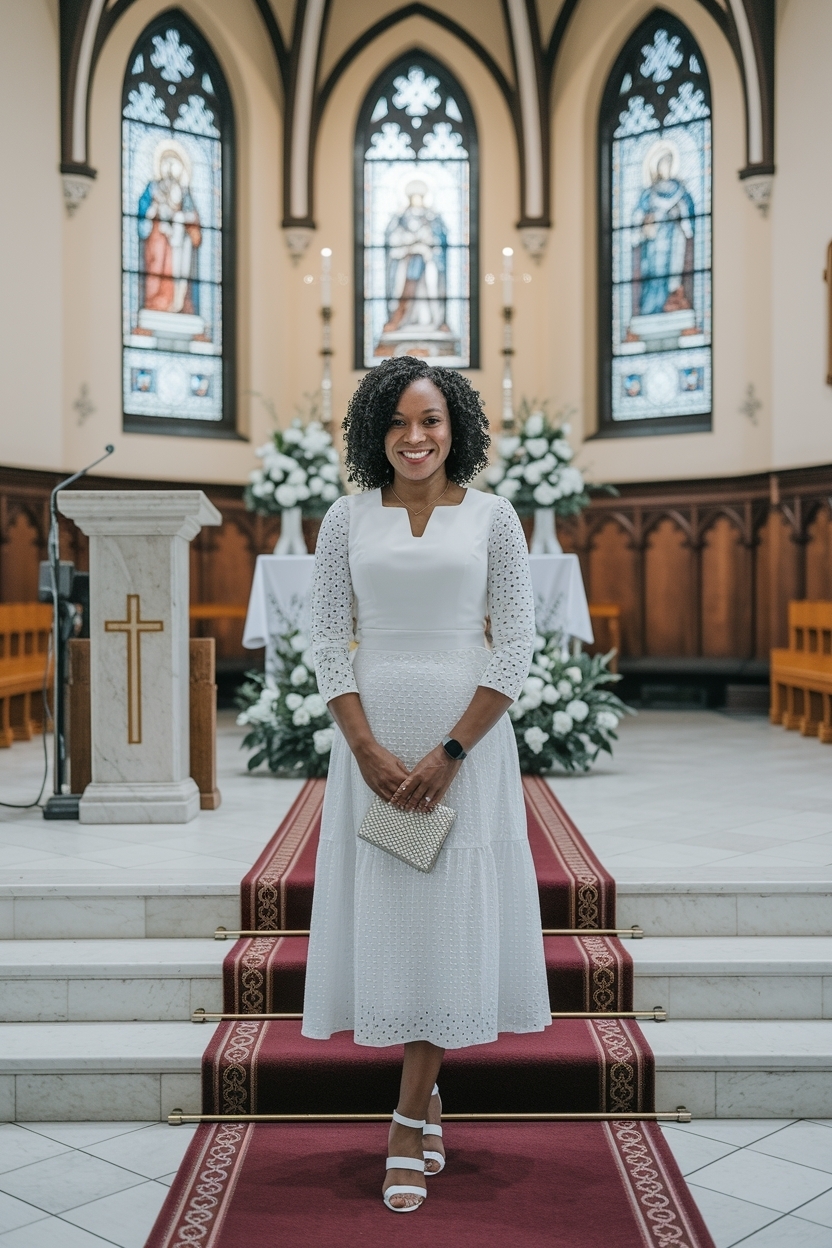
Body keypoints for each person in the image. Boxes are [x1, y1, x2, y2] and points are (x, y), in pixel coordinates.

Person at [302, 356, 550, 1213]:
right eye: (399, 421)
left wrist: (450, 752)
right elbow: (327, 640)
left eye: (431, 420)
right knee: (399, 918)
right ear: (375, 430)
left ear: (457, 428)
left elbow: (515, 646)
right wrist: (365, 748)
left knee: (445, 920)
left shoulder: (493, 517)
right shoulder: (345, 519)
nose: (415, 437)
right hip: (372, 749)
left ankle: (407, 1121)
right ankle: (427, 1094)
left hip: (464, 752)